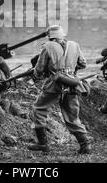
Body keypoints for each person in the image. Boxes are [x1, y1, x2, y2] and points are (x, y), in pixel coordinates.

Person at [28, 25, 92, 154]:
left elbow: (39, 70)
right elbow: (83, 63)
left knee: (39, 109)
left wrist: (38, 73)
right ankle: (85, 145)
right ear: (62, 35)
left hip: (54, 85)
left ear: (49, 36)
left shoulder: (47, 46)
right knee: (72, 116)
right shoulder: (74, 45)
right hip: (72, 85)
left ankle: (43, 144)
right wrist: (70, 71)